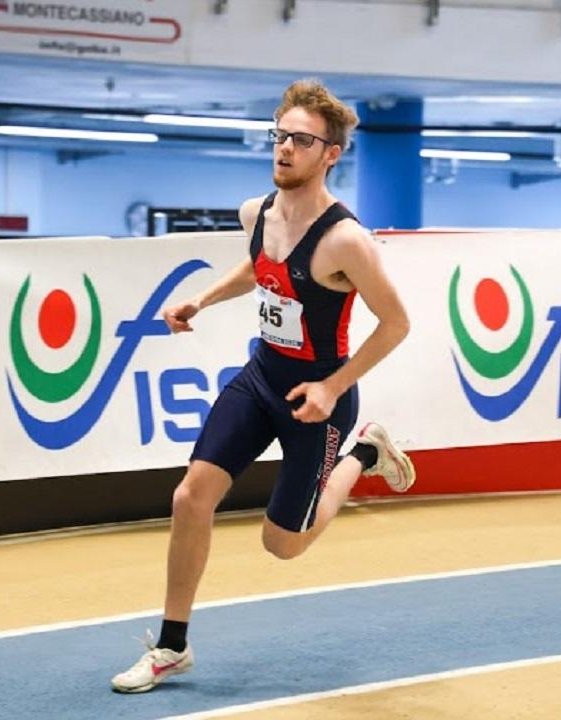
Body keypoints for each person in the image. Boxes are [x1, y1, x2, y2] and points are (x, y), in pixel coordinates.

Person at [111, 78, 415, 694]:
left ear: (331, 153)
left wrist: (333, 388)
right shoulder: (258, 212)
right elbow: (262, 265)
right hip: (261, 378)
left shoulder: (346, 240)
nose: (284, 149)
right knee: (190, 496)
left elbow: (396, 323)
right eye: (279, 136)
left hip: (317, 400)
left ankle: (363, 452)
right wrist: (202, 298)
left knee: (283, 545)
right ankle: (171, 646)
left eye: (301, 140)